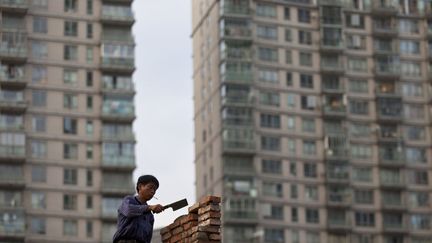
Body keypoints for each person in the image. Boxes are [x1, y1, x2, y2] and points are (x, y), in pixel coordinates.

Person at [113, 175, 164, 243]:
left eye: (155, 189)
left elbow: (148, 238)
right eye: (150, 187)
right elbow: (128, 211)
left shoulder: (150, 216)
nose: (153, 191)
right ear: (140, 186)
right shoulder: (129, 200)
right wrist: (149, 207)